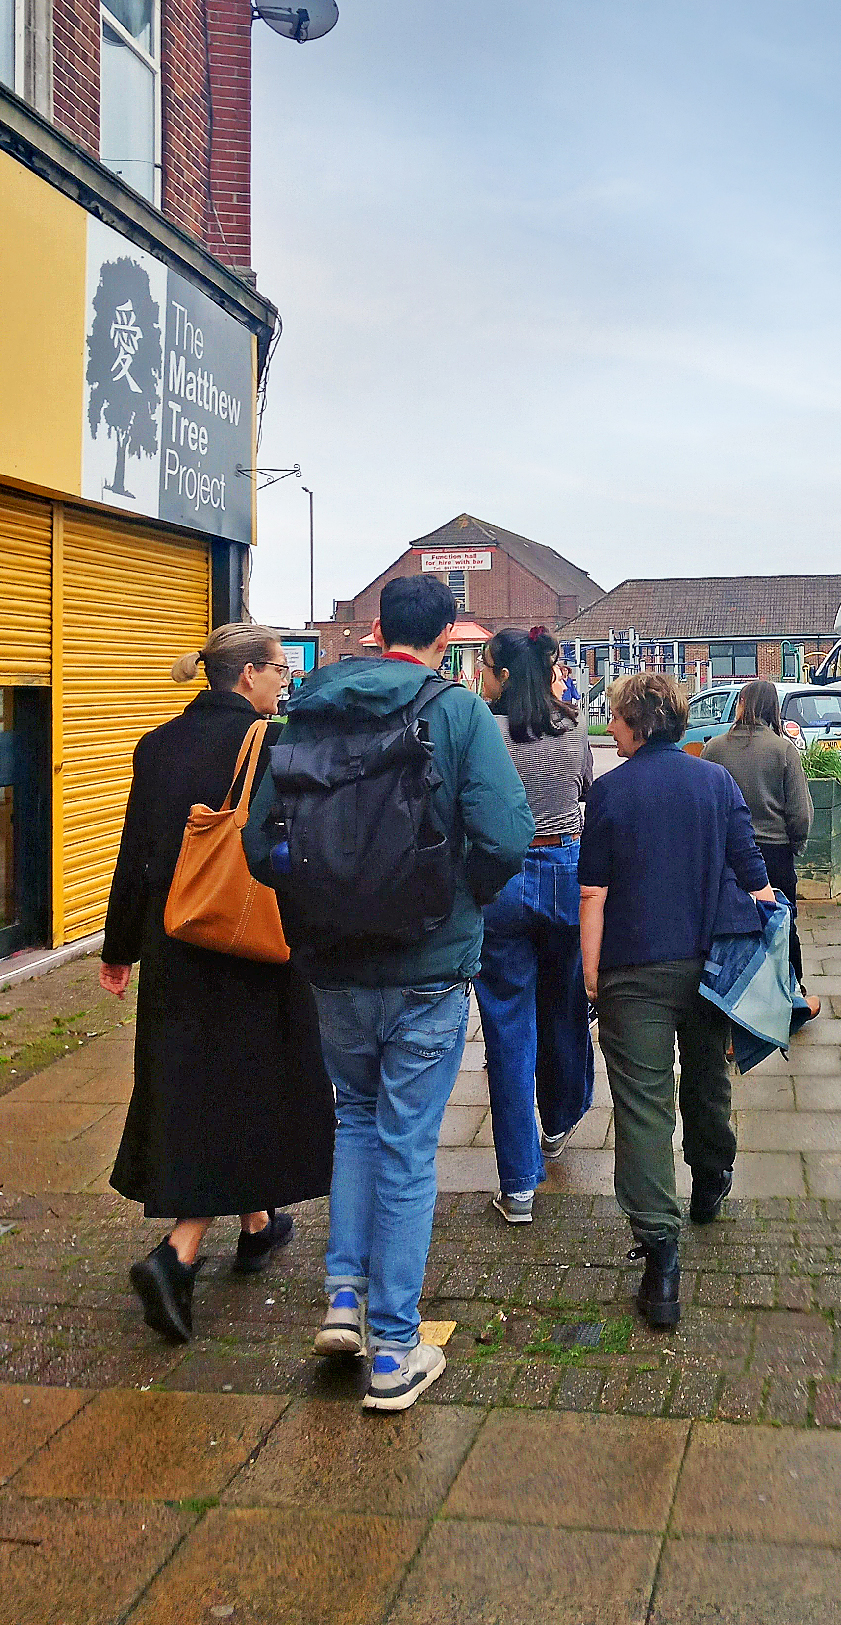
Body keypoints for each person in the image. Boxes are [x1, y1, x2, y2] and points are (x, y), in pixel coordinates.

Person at [245, 575, 533, 1411]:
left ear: (374, 631)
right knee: (409, 1147)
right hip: (428, 965)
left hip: (333, 961)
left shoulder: (305, 709)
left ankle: (344, 1295)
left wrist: (320, 894)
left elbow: (259, 841)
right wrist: (456, 898)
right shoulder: (457, 712)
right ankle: (395, 1353)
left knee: (357, 1119)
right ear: (447, 635)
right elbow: (508, 833)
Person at [99, 624, 334, 1344]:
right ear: (246, 677)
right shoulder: (267, 746)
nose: (285, 681)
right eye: (277, 669)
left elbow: (136, 852)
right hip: (251, 948)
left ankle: (258, 1224)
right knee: (250, 1086)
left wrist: (118, 947)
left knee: (194, 1083)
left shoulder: (157, 745)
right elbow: (292, 850)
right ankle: (178, 1254)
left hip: (176, 947)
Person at [578, 672, 775, 1329]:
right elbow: (756, 878)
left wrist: (590, 975)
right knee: (708, 1077)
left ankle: (661, 1261)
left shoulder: (609, 791)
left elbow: (593, 895)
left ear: (636, 721)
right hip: (711, 960)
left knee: (642, 1108)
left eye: (613, 718)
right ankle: (712, 1179)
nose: (609, 729)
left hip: (633, 966)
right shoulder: (714, 782)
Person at [476, 625, 596, 1225]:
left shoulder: (485, 732)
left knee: (506, 1023)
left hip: (503, 881)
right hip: (565, 873)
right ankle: (562, 1117)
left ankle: (519, 1184)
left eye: (485, 667)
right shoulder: (573, 728)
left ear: (502, 674)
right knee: (565, 1002)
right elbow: (589, 800)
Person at [701, 679, 819, 1018]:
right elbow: (800, 813)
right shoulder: (783, 751)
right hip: (774, 851)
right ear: (773, 710)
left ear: (741, 705)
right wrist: (797, 843)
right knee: (782, 924)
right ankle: (791, 991)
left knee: (729, 926)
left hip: (726, 854)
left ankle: (727, 994)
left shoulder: (714, 749)